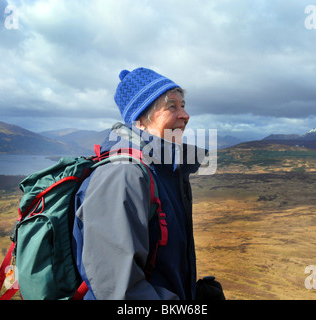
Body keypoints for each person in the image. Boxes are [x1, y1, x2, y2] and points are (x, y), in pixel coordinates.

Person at [72, 67, 223, 300]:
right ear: (140, 121)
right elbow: (118, 291)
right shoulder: (123, 176)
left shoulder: (165, 171)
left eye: (183, 105)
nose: (185, 115)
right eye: (171, 106)